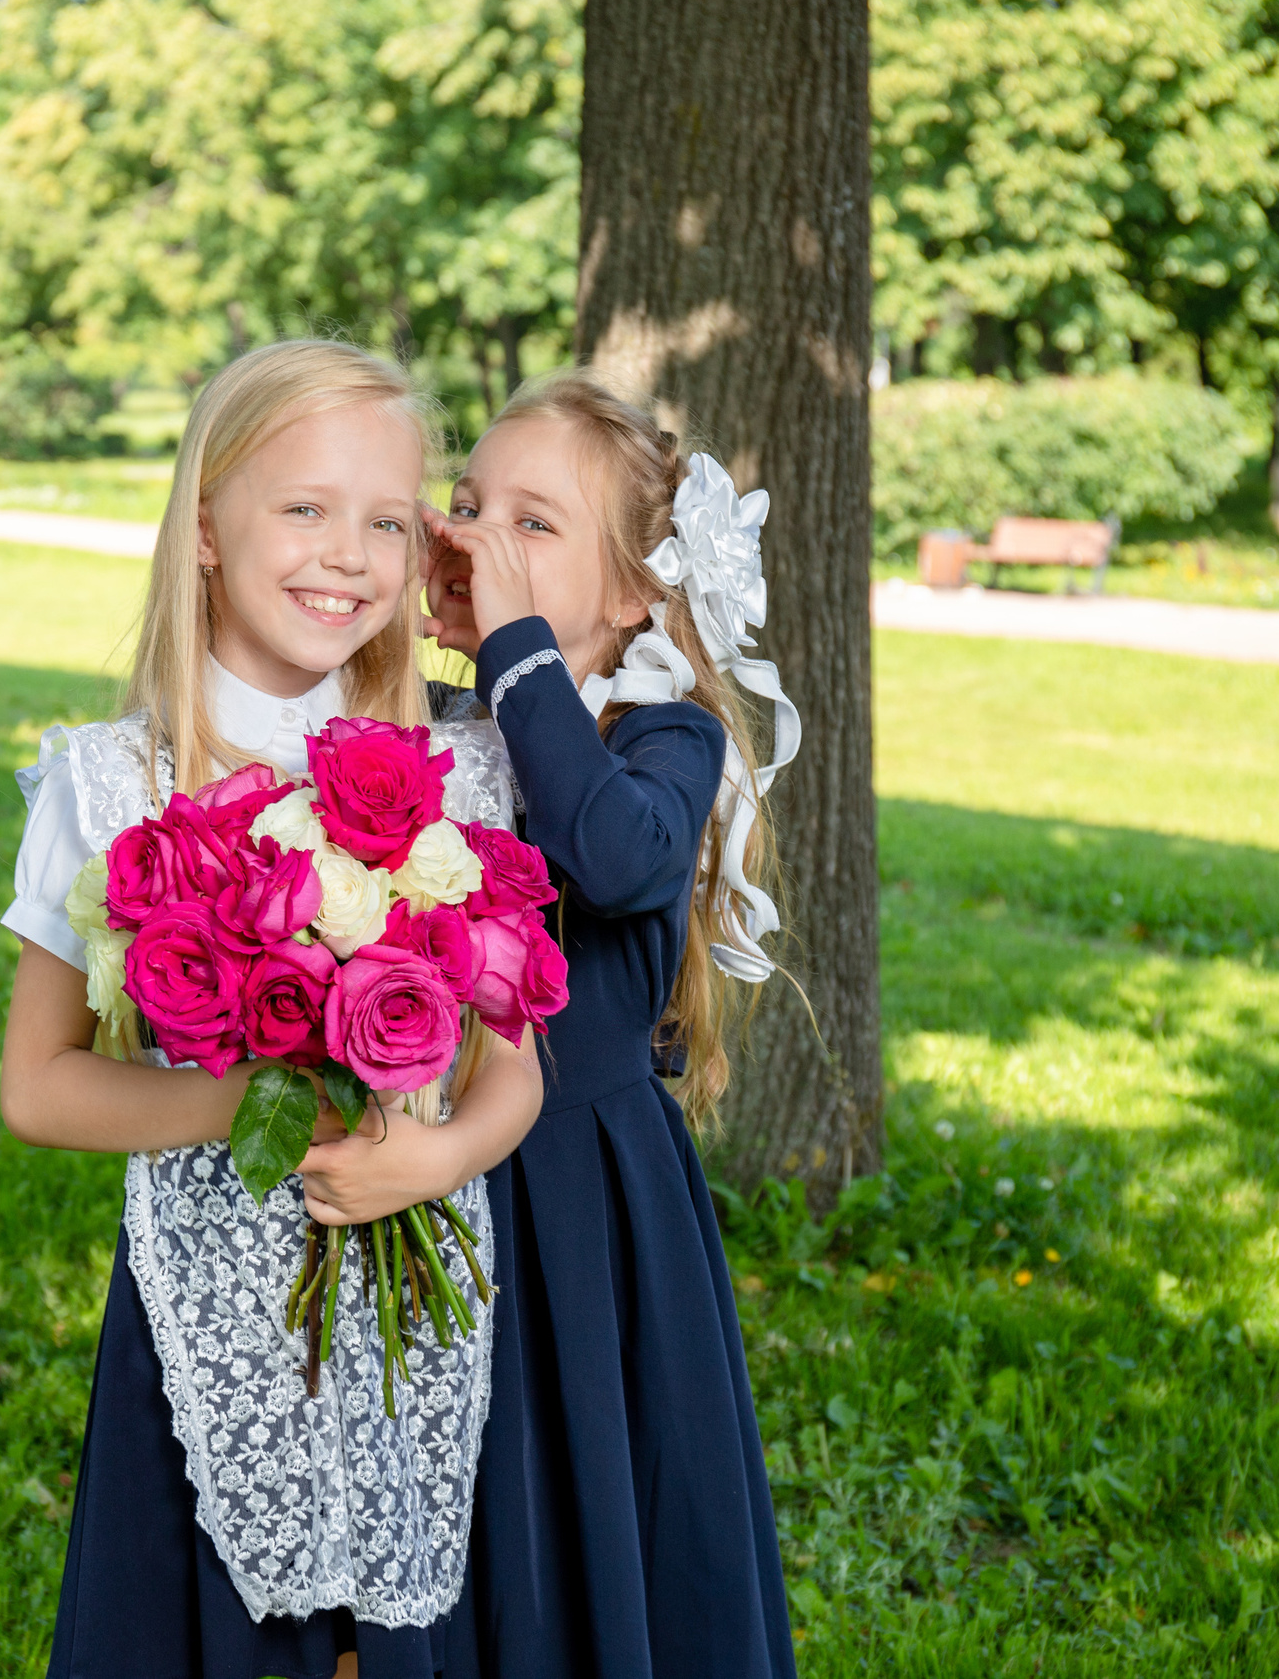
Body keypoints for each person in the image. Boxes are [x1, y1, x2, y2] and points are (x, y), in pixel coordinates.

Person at [0, 339, 545, 1679]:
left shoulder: (461, 770)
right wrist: (255, 1105)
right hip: (209, 1336)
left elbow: (511, 1071)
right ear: (202, 528)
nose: (344, 556)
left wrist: (438, 1150)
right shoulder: (110, 782)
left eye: (385, 523)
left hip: (429, 1325)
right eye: (303, 508)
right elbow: (39, 1085)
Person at [422, 368, 803, 1678]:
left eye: (535, 524)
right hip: (436, 1172)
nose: (482, 541)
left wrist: (517, 656)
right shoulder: (427, 731)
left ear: (635, 591)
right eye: (470, 507)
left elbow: (616, 856)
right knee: (468, 1493)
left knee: (594, 1465)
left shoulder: (662, 736)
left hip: (585, 1192)